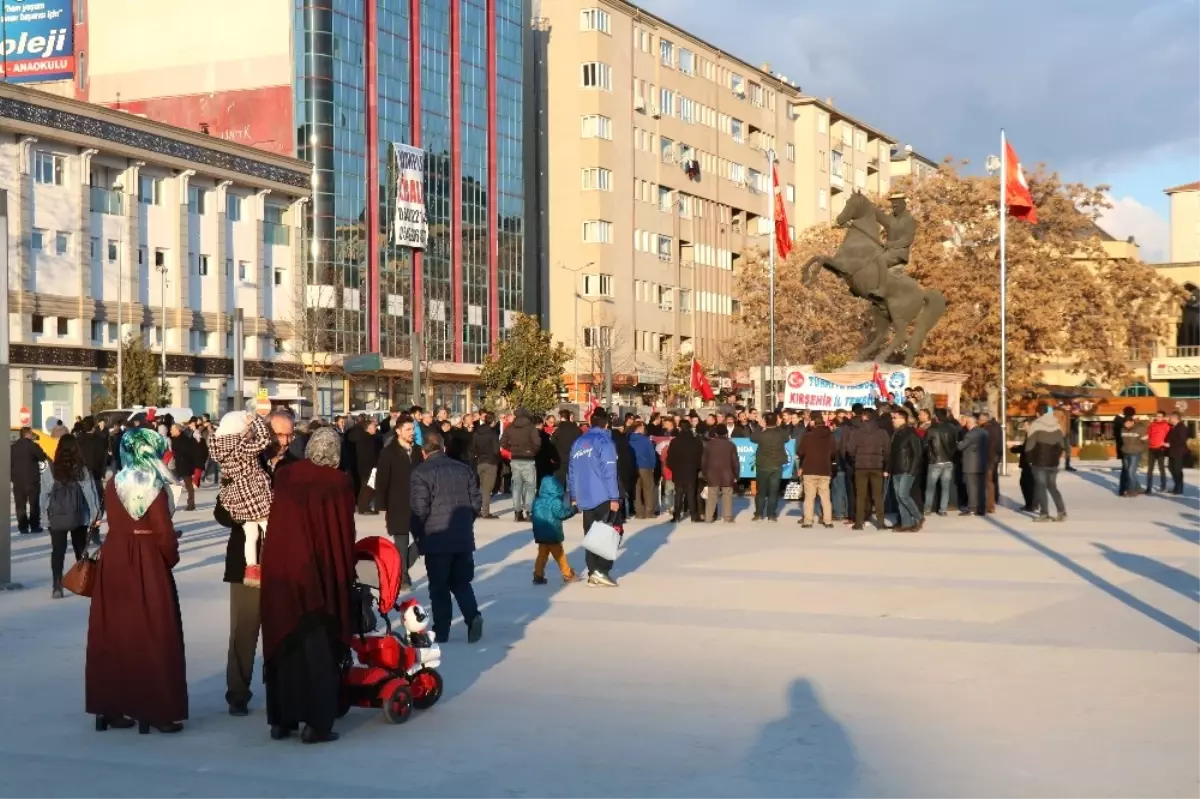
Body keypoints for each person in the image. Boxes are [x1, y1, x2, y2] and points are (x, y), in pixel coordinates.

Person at [86, 428, 187, 734]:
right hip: (145, 560)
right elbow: (164, 533)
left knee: (113, 632)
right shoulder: (154, 486)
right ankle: (154, 709)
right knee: (154, 631)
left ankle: (109, 707)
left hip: (114, 558)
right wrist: (168, 556)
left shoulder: (112, 482)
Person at [259, 428, 357, 744]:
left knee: (284, 642)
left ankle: (281, 719)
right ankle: (316, 723)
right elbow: (343, 534)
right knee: (317, 649)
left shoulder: (286, 476)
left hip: (282, 574)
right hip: (319, 577)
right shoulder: (338, 482)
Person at [223, 410, 297, 718]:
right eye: (279, 434)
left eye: (290, 435)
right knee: (244, 631)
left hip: (282, 561)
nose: (284, 441)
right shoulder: (244, 460)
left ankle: (281, 691)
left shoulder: (296, 468)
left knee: (282, 631)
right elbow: (221, 512)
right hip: (245, 562)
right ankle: (237, 694)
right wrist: (245, 508)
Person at [410, 431, 484, 642]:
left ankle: (442, 630)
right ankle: (473, 616)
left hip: (437, 538)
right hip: (462, 537)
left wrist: (417, 534)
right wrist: (466, 522)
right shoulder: (463, 469)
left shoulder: (420, 473)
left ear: (424, 452)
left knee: (439, 587)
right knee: (462, 582)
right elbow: (476, 501)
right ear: (442, 447)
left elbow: (419, 510)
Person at [210, 411, 274, 586]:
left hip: (237, 495)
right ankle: (273, 562)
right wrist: (257, 422)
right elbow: (264, 441)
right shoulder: (242, 447)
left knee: (250, 534)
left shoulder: (220, 448)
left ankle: (252, 569)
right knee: (269, 528)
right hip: (254, 492)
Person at [40, 434, 101, 598]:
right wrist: (96, 515)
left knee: (57, 551)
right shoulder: (81, 469)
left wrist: (44, 516)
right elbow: (90, 494)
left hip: (57, 517)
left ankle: (57, 585)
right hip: (79, 516)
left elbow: (44, 495)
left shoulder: (51, 469)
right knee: (80, 549)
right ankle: (83, 582)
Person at [567, 408, 623, 587]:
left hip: (585, 495)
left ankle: (593, 571)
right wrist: (614, 498)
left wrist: (574, 496)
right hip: (603, 495)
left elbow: (572, 471)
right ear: (606, 423)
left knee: (591, 534)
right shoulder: (604, 442)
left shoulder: (578, 442)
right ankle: (601, 569)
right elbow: (609, 471)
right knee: (612, 531)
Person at [375, 417, 425, 589]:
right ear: (398, 431)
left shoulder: (418, 451)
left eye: (413, 429)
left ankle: (399, 570)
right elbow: (382, 480)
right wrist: (381, 505)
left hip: (418, 504)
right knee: (401, 545)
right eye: (408, 429)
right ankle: (403, 578)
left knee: (424, 539)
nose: (412, 433)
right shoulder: (388, 452)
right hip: (398, 504)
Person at [530, 474, 579, 584]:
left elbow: (533, 516)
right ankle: (567, 574)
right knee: (560, 555)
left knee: (541, 555)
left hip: (541, 534)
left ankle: (538, 574)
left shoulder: (537, 501)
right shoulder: (555, 501)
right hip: (552, 533)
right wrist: (574, 510)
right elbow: (562, 514)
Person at [1024, 403, 1067, 522]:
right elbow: (1062, 445)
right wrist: (1055, 457)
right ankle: (1062, 512)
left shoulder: (1036, 425)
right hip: (1053, 462)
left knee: (1041, 486)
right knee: (1053, 487)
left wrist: (1029, 460)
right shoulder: (1057, 425)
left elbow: (1029, 446)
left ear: (1038, 413)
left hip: (1039, 462)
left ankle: (1044, 514)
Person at [849, 409, 889, 530]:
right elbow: (888, 450)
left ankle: (859, 522)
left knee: (861, 496)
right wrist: (883, 463)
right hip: (877, 466)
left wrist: (856, 459)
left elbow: (850, 449)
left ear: (865, 417)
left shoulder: (856, 432)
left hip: (861, 466)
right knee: (878, 496)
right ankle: (881, 522)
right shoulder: (882, 432)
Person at [500, 408, 542, 522]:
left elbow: (502, 442)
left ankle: (517, 512)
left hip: (515, 459)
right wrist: (532, 452)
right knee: (530, 486)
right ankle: (528, 511)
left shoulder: (510, 427)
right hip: (528, 459)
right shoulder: (530, 428)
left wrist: (512, 450)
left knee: (517, 486)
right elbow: (537, 443)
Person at [796, 411, 836, 529]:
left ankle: (808, 521)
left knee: (809, 497)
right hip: (825, 469)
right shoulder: (831, 436)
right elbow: (834, 453)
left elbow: (800, 452)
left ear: (813, 423)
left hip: (810, 468)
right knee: (825, 496)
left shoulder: (808, 436)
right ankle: (828, 521)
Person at [888, 409, 925, 532]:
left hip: (907, 469)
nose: (892, 420)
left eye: (895, 418)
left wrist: (912, 470)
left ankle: (918, 517)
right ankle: (906, 523)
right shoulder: (895, 433)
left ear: (902, 419)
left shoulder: (910, 432)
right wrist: (888, 469)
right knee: (899, 497)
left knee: (903, 495)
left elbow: (917, 453)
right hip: (896, 469)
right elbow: (891, 453)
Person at [750, 412, 789, 522]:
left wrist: (759, 426)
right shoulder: (780, 434)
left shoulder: (762, 434)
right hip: (776, 465)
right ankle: (771, 515)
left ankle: (758, 515)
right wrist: (779, 426)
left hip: (763, 465)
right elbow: (787, 439)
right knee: (773, 491)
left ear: (765, 421)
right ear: (777, 421)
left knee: (761, 492)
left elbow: (752, 438)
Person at [666, 419, 704, 523]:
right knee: (691, 493)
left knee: (678, 493)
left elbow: (669, 459)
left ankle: (676, 516)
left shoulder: (675, 441)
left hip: (678, 471)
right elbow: (701, 457)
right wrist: (697, 468)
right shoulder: (696, 441)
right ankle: (694, 516)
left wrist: (673, 468)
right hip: (691, 471)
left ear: (680, 428)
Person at [12, 426, 48, 534]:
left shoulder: (12, 447)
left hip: (17, 480)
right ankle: (34, 526)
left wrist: (12, 477)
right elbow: (42, 457)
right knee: (34, 504)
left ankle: (23, 527)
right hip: (32, 480)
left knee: (20, 505)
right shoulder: (33, 446)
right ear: (27, 434)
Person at [701, 424, 739, 523]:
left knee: (712, 496)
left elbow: (704, 461)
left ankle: (708, 517)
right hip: (728, 473)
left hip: (712, 474)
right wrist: (736, 475)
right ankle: (727, 517)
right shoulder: (731, 445)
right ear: (726, 433)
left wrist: (705, 473)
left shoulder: (709, 444)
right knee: (727, 495)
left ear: (716, 433)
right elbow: (735, 461)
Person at [923, 408, 957, 516]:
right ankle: (943, 509)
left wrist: (929, 456)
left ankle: (927, 509)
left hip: (935, 461)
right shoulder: (952, 428)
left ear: (936, 417)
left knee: (930, 487)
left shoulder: (932, 429)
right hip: (948, 461)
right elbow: (954, 445)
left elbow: (925, 444)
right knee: (945, 487)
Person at [470, 412, 501, 519]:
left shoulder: (476, 432)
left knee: (479, 487)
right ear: (492, 421)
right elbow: (496, 450)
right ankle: (485, 512)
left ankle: (477, 509)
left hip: (479, 461)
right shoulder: (493, 434)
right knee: (487, 489)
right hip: (491, 462)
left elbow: (473, 448)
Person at [958, 415, 989, 516]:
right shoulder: (985, 432)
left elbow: (961, 446)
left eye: (967, 423)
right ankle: (981, 508)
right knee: (981, 487)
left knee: (971, 488)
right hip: (982, 463)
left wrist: (957, 443)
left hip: (970, 465)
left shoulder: (969, 435)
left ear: (971, 423)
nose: (966, 425)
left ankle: (972, 508)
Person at [628, 421, 658, 518]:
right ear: (640, 428)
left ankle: (639, 512)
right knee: (648, 489)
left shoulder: (629, 439)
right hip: (646, 466)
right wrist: (653, 466)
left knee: (636, 489)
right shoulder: (645, 440)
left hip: (634, 466)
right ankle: (649, 512)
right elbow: (652, 454)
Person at [169, 424, 200, 511]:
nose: (170, 431)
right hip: (177, 465)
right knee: (173, 484)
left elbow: (189, 453)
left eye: (172, 429)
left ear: (178, 431)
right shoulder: (174, 439)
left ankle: (191, 504)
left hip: (185, 465)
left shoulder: (185, 440)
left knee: (188, 485)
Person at [551, 409, 583, 488]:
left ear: (560, 417)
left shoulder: (557, 430)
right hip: (574, 459)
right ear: (569, 417)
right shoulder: (577, 430)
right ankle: (574, 500)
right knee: (575, 485)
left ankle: (559, 500)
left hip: (560, 460)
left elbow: (552, 444)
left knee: (559, 486)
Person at [1118, 415, 1148, 498]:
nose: (1127, 424)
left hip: (1135, 453)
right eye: (1125, 423)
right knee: (1128, 472)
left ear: (1132, 422)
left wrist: (1141, 449)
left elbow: (1146, 441)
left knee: (1131, 472)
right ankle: (1138, 488)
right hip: (1126, 452)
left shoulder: (1140, 429)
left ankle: (1132, 491)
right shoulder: (1122, 430)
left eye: (1129, 422)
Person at [1145, 411, 1171, 495]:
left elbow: (1170, 435)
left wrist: (1167, 443)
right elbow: (1148, 434)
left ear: (1163, 417)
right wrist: (1146, 438)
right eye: (1157, 416)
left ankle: (1163, 486)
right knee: (1150, 469)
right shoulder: (1152, 425)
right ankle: (1148, 487)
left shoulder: (1166, 426)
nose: (1158, 418)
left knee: (1161, 468)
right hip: (1151, 449)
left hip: (1160, 449)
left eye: (1160, 416)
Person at [1166, 413, 1191, 494]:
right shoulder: (1173, 427)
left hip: (1179, 452)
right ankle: (1177, 486)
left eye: (1170, 418)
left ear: (1175, 418)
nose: (1169, 419)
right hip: (1172, 451)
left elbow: (1182, 440)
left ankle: (1179, 488)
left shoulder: (1182, 428)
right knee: (1171, 468)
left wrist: (1170, 444)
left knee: (1177, 470)